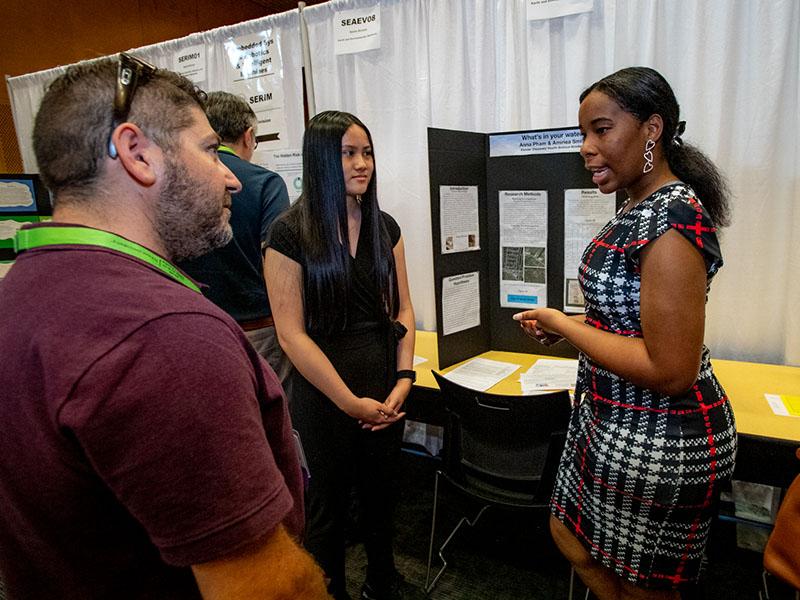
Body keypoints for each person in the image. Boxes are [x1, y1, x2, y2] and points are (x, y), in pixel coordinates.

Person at [0, 54, 329, 599]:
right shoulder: (164, 334)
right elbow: (271, 589)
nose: (232, 178)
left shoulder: (24, 289)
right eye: (207, 150)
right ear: (137, 153)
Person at [513, 67, 737, 600]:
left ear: (652, 130)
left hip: (657, 437)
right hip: (608, 419)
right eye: (582, 134)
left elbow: (671, 369)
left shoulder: (673, 216)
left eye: (602, 129)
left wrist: (566, 325)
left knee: (644, 588)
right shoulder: (639, 205)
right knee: (573, 540)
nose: (588, 148)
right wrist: (578, 331)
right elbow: (632, 322)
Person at [264, 111, 417, 600]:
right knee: (328, 504)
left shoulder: (384, 227)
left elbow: (404, 310)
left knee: (381, 496)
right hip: (325, 391)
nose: (362, 164)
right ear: (321, 162)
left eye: (367, 152)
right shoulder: (288, 233)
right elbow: (291, 336)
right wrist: (349, 402)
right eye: (349, 154)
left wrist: (403, 381)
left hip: (382, 383)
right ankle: (330, 590)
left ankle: (382, 578)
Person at [178, 91, 291, 381]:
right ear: (248, 135)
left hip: (196, 328)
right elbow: (278, 263)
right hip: (258, 330)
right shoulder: (266, 183)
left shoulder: (180, 182)